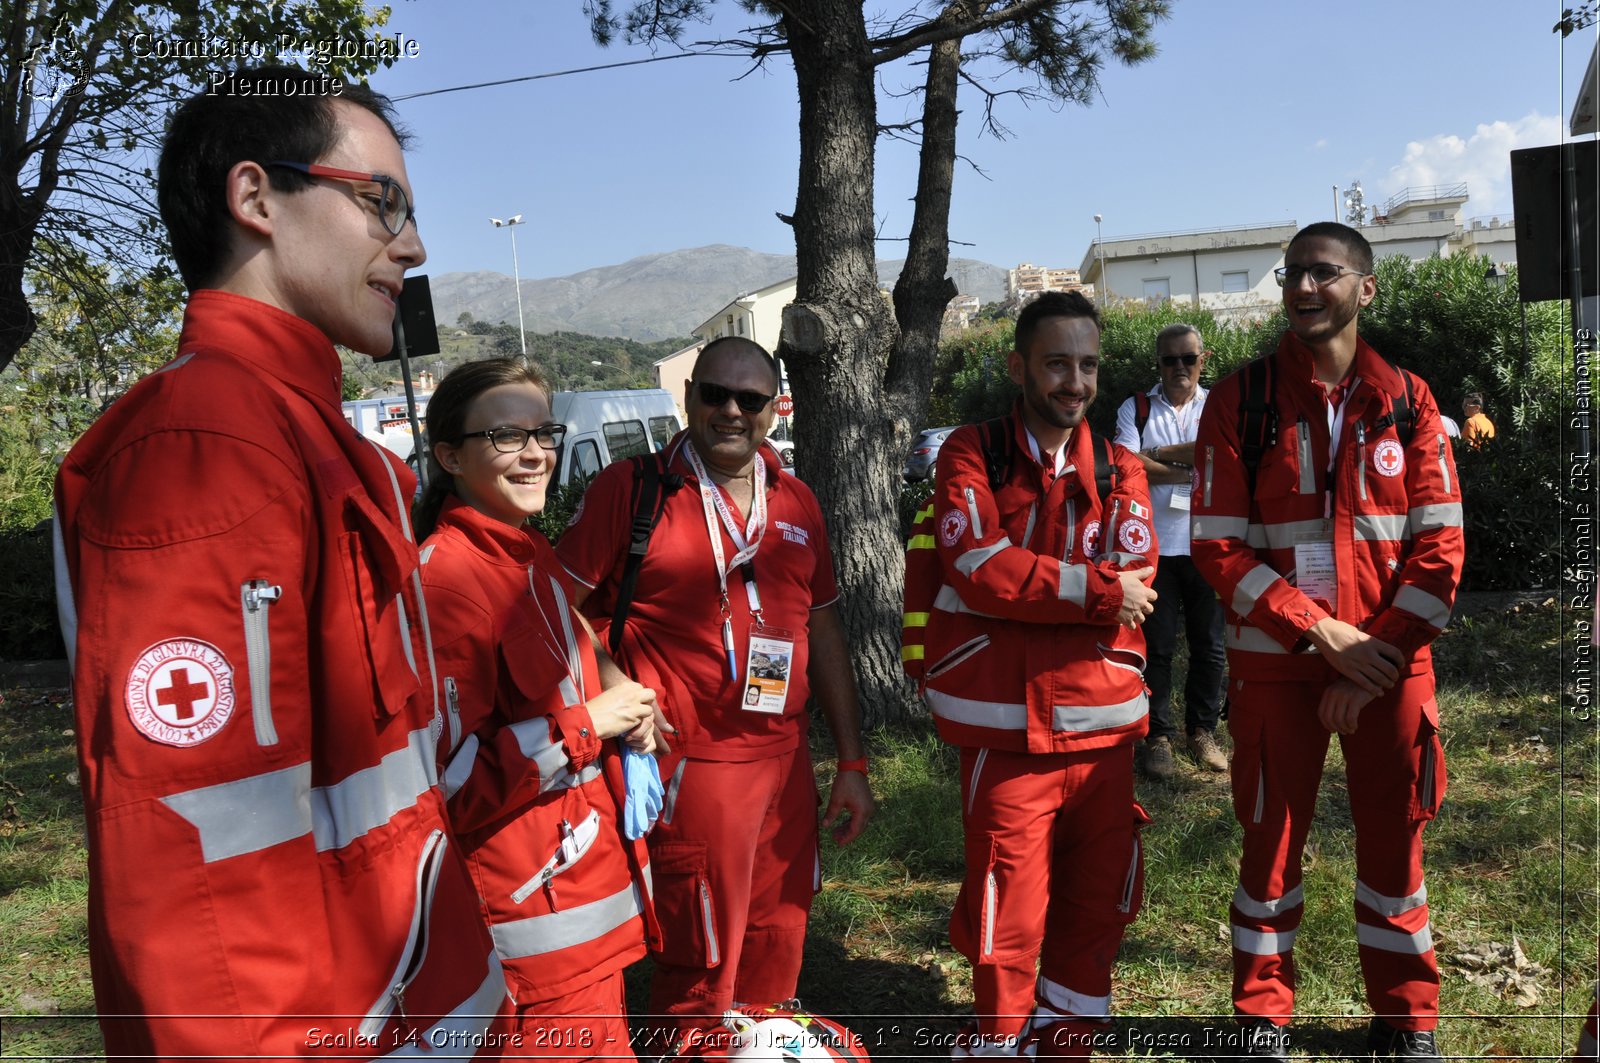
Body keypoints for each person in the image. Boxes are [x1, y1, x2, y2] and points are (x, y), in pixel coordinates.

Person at [52, 66, 507, 1058]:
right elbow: (196, 865)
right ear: (256, 197)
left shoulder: (308, 434)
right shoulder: (206, 440)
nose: (415, 245)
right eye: (381, 200)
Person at [1191, 222, 1464, 1062]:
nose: (1304, 287)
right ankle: (1262, 1020)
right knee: (1269, 845)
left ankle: (1406, 1020)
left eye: (1324, 272)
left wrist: (1369, 657)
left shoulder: (1411, 401)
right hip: (1279, 670)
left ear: (1365, 288)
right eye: (1292, 273)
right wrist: (1323, 636)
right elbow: (1216, 544)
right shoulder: (1241, 401)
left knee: (1396, 847)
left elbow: (1441, 548)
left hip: (1391, 669)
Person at [554, 336, 875, 1040]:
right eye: (715, 394)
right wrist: (617, 690)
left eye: (750, 399)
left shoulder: (797, 500)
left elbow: (823, 633)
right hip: (690, 766)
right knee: (699, 968)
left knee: (776, 948)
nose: (731, 410)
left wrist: (849, 760)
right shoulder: (633, 489)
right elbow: (551, 603)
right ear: (689, 395)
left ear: (773, 408)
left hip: (784, 761)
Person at [922, 290, 1159, 1058]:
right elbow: (977, 563)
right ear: (1018, 365)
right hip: (1006, 731)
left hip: (1104, 734)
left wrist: (1038, 590)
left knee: (1098, 911)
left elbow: (1139, 576)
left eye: (1088, 364)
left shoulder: (1122, 466)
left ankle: (1066, 1045)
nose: (1075, 381)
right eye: (1058, 363)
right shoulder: (970, 451)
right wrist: (1092, 592)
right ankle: (999, 1045)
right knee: (1006, 916)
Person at [414, 359, 662, 1061]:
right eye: (505, 434)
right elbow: (448, 789)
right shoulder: (447, 584)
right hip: (532, 948)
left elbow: (574, 675)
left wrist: (626, 705)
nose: (536, 452)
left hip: (585, 929)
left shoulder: (529, 555)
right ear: (449, 456)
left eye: (544, 431)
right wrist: (592, 725)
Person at [1114, 323, 1229, 777]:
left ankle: (1202, 732)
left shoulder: (1220, 405)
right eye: (1169, 359)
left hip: (1211, 543)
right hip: (1154, 549)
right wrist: (1193, 464)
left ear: (1204, 359)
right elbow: (1126, 466)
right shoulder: (1135, 407)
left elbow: (1223, 452)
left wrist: (1157, 453)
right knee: (1156, 648)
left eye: (1188, 358)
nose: (1179, 367)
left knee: (1211, 646)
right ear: (1158, 363)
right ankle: (1156, 737)